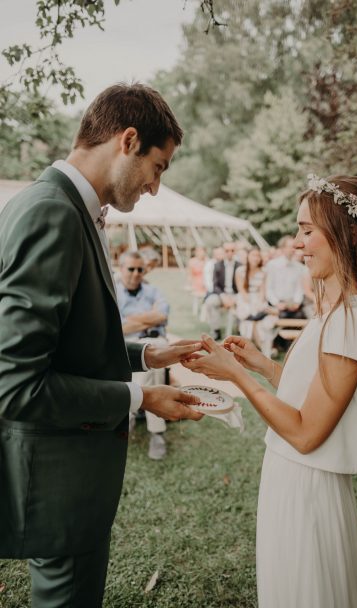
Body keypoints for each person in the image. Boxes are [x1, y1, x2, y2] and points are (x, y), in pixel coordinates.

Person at [0, 83, 203, 608]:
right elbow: (17, 385)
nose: (156, 187)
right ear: (128, 140)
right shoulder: (54, 213)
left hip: (74, 482)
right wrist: (141, 397)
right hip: (58, 483)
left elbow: (70, 344)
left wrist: (148, 355)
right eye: (159, 167)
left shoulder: (65, 206)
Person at [182, 174, 357, 608]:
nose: (297, 243)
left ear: (350, 234)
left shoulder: (351, 320)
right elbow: (314, 393)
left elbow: (304, 432)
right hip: (294, 477)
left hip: (308, 486)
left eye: (307, 231)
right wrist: (261, 365)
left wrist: (237, 377)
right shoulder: (340, 311)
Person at [116, 250, 171, 459]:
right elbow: (118, 329)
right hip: (127, 344)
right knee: (150, 360)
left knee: (154, 352)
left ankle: (130, 412)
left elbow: (162, 315)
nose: (136, 273)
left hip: (153, 340)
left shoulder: (153, 290)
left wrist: (132, 320)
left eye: (140, 269)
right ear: (121, 269)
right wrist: (149, 318)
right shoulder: (112, 291)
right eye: (131, 268)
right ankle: (156, 432)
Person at [234, 248, 278, 354]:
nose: (256, 258)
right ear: (248, 257)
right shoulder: (240, 271)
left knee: (260, 315)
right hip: (245, 298)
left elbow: (262, 291)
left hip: (258, 298)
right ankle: (260, 348)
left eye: (258, 256)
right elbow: (241, 290)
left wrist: (259, 302)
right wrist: (251, 303)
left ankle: (259, 347)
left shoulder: (263, 272)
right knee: (251, 313)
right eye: (253, 255)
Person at [204, 241, 241, 340]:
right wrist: (223, 296)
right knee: (210, 302)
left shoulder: (240, 265)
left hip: (236, 294)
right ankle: (216, 330)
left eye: (232, 250)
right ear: (223, 251)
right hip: (222, 294)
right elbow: (215, 285)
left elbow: (243, 286)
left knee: (242, 303)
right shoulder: (217, 265)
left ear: (235, 251)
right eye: (227, 250)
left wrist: (235, 298)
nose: (229, 253)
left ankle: (240, 330)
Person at [265, 235, 306, 319]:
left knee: (300, 317)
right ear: (283, 248)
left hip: (293, 305)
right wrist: (276, 303)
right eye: (291, 247)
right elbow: (269, 288)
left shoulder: (299, 267)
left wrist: (297, 303)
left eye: (295, 247)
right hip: (277, 305)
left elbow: (299, 288)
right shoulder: (272, 265)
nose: (293, 249)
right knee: (281, 317)